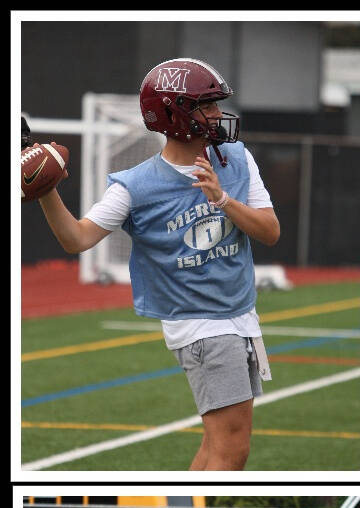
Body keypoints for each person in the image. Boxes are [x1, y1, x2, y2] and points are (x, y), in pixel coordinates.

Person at [34, 57, 280, 471]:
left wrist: (223, 199)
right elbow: (77, 238)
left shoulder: (235, 157)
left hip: (237, 316)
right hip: (204, 326)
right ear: (176, 114)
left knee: (215, 444)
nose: (218, 115)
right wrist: (46, 190)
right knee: (231, 449)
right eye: (207, 106)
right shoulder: (135, 186)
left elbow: (270, 231)